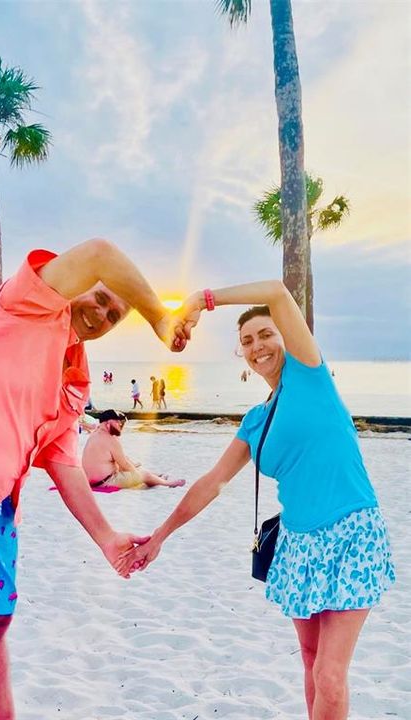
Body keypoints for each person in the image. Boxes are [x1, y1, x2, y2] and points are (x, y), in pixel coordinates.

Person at [118, 280, 395, 720]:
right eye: (247, 341)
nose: (257, 345)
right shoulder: (255, 420)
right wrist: (160, 537)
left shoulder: (310, 375)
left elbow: (279, 293)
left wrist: (200, 301)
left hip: (351, 536)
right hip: (298, 546)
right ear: (241, 354)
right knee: (309, 661)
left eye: (266, 334)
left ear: (287, 336)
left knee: (329, 673)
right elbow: (210, 483)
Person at [0, 237, 192, 719]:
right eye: (100, 298)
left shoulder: (74, 376)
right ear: (77, 285)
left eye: (114, 316)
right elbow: (103, 253)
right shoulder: (26, 303)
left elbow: (62, 460)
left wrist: (106, 538)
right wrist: (160, 317)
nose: (101, 315)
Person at [82, 409, 185, 489]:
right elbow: (125, 465)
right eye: (118, 422)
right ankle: (167, 483)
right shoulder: (111, 440)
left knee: (131, 465)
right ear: (108, 423)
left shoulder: (95, 433)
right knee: (144, 475)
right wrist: (138, 475)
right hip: (106, 482)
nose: (120, 424)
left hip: (92, 481)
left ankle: (157, 477)